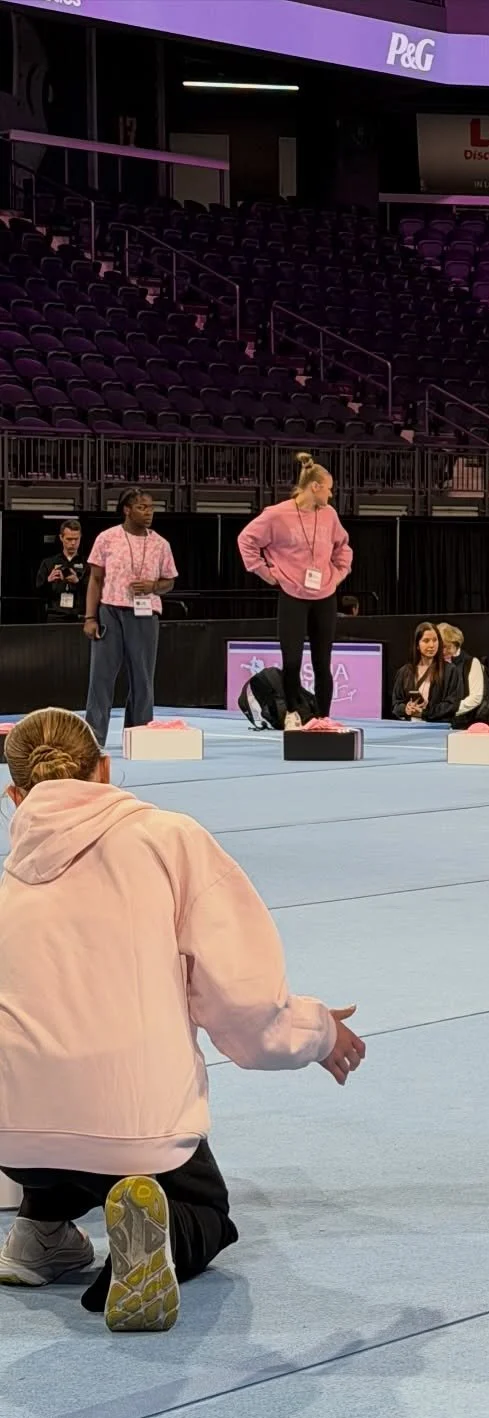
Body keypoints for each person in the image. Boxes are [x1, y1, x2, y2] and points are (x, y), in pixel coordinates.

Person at [0, 708, 365, 1332]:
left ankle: (41, 1231)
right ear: (106, 769)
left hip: (13, 1144)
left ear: (14, 796)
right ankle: (154, 1246)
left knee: (50, 1074)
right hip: (135, 1132)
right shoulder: (167, 838)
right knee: (207, 1212)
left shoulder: (8, 881)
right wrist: (319, 1032)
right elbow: (245, 1005)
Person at [238, 453, 353, 731]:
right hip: (292, 595)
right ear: (314, 486)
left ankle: (324, 717)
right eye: (329, 488)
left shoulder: (329, 514)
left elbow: (343, 547)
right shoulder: (277, 514)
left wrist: (338, 575)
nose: (331, 493)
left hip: (324, 596)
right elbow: (246, 541)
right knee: (292, 659)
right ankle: (291, 711)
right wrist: (267, 574)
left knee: (322, 660)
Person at [82, 489, 178, 747]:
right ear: (127, 509)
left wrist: (153, 586)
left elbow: (169, 581)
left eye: (151, 507)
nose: (149, 513)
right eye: (142, 507)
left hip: (145, 615)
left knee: (142, 678)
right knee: (101, 676)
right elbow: (95, 579)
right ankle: (94, 737)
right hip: (110, 611)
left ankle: (140, 735)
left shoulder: (161, 543)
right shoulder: (107, 538)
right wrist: (90, 617)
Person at [391, 622, 461, 723]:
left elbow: (452, 705)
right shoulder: (405, 672)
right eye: (426, 641)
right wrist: (406, 708)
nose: (432, 645)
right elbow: (396, 704)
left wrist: (425, 713)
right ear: (417, 645)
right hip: (409, 727)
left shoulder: (450, 671)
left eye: (435, 640)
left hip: (437, 728)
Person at [436, 623, 489, 728]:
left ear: (456, 644)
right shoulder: (436, 664)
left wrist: (450, 710)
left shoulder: (471, 663)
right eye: (440, 647)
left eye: (447, 647)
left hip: (468, 724)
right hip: (442, 723)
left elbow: (475, 698)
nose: (443, 651)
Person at [36, 519, 85, 623]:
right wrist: (48, 581)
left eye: (76, 539)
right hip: (55, 616)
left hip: (79, 617)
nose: (73, 543)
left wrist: (77, 582)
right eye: (69, 539)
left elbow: (95, 591)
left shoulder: (88, 564)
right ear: (61, 538)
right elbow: (38, 593)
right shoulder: (48, 563)